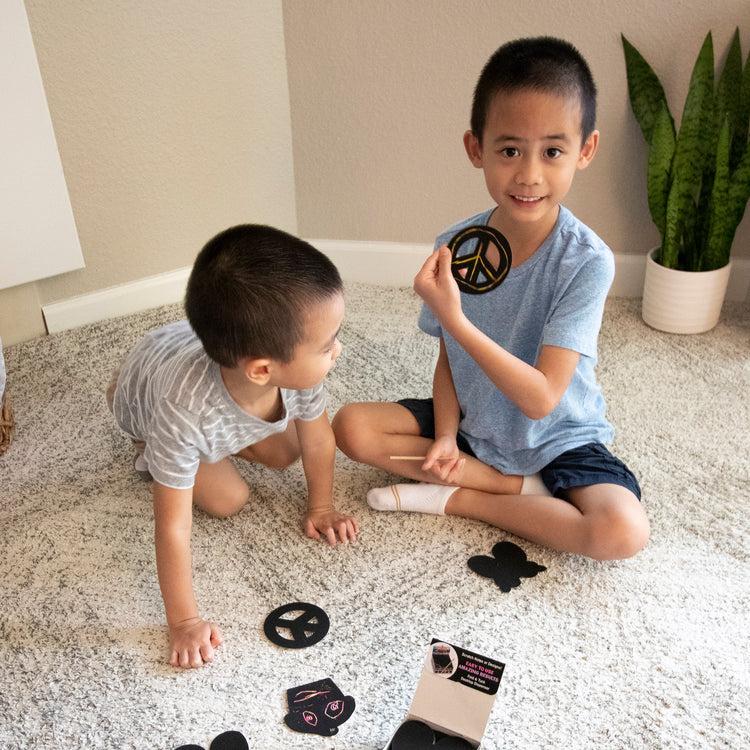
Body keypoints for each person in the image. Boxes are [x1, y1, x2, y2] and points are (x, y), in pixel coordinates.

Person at [333, 37, 649, 561]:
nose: (529, 174)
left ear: (585, 150)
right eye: (509, 150)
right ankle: (503, 484)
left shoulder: (587, 261)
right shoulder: (455, 246)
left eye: (552, 151)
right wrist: (446, 435)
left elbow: (542, 398)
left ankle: (467, 499)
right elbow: (449, 358)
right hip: (475, 427)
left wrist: (455, 320)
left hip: (557, 435)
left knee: (621, 532)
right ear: (475, 148)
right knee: (352, 428)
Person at [109, 224, 358, 669]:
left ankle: (221, 440)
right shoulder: (181, 412)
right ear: (263, 369)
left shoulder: (291, 372)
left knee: (287, 452)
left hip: (195, 353)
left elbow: (318, 438)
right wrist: (183, 622)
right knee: (229, 498)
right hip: (147, 390)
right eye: (326, 345)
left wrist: (322, 506)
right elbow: (172, 528)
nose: (338, 350)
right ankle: (138, 426)